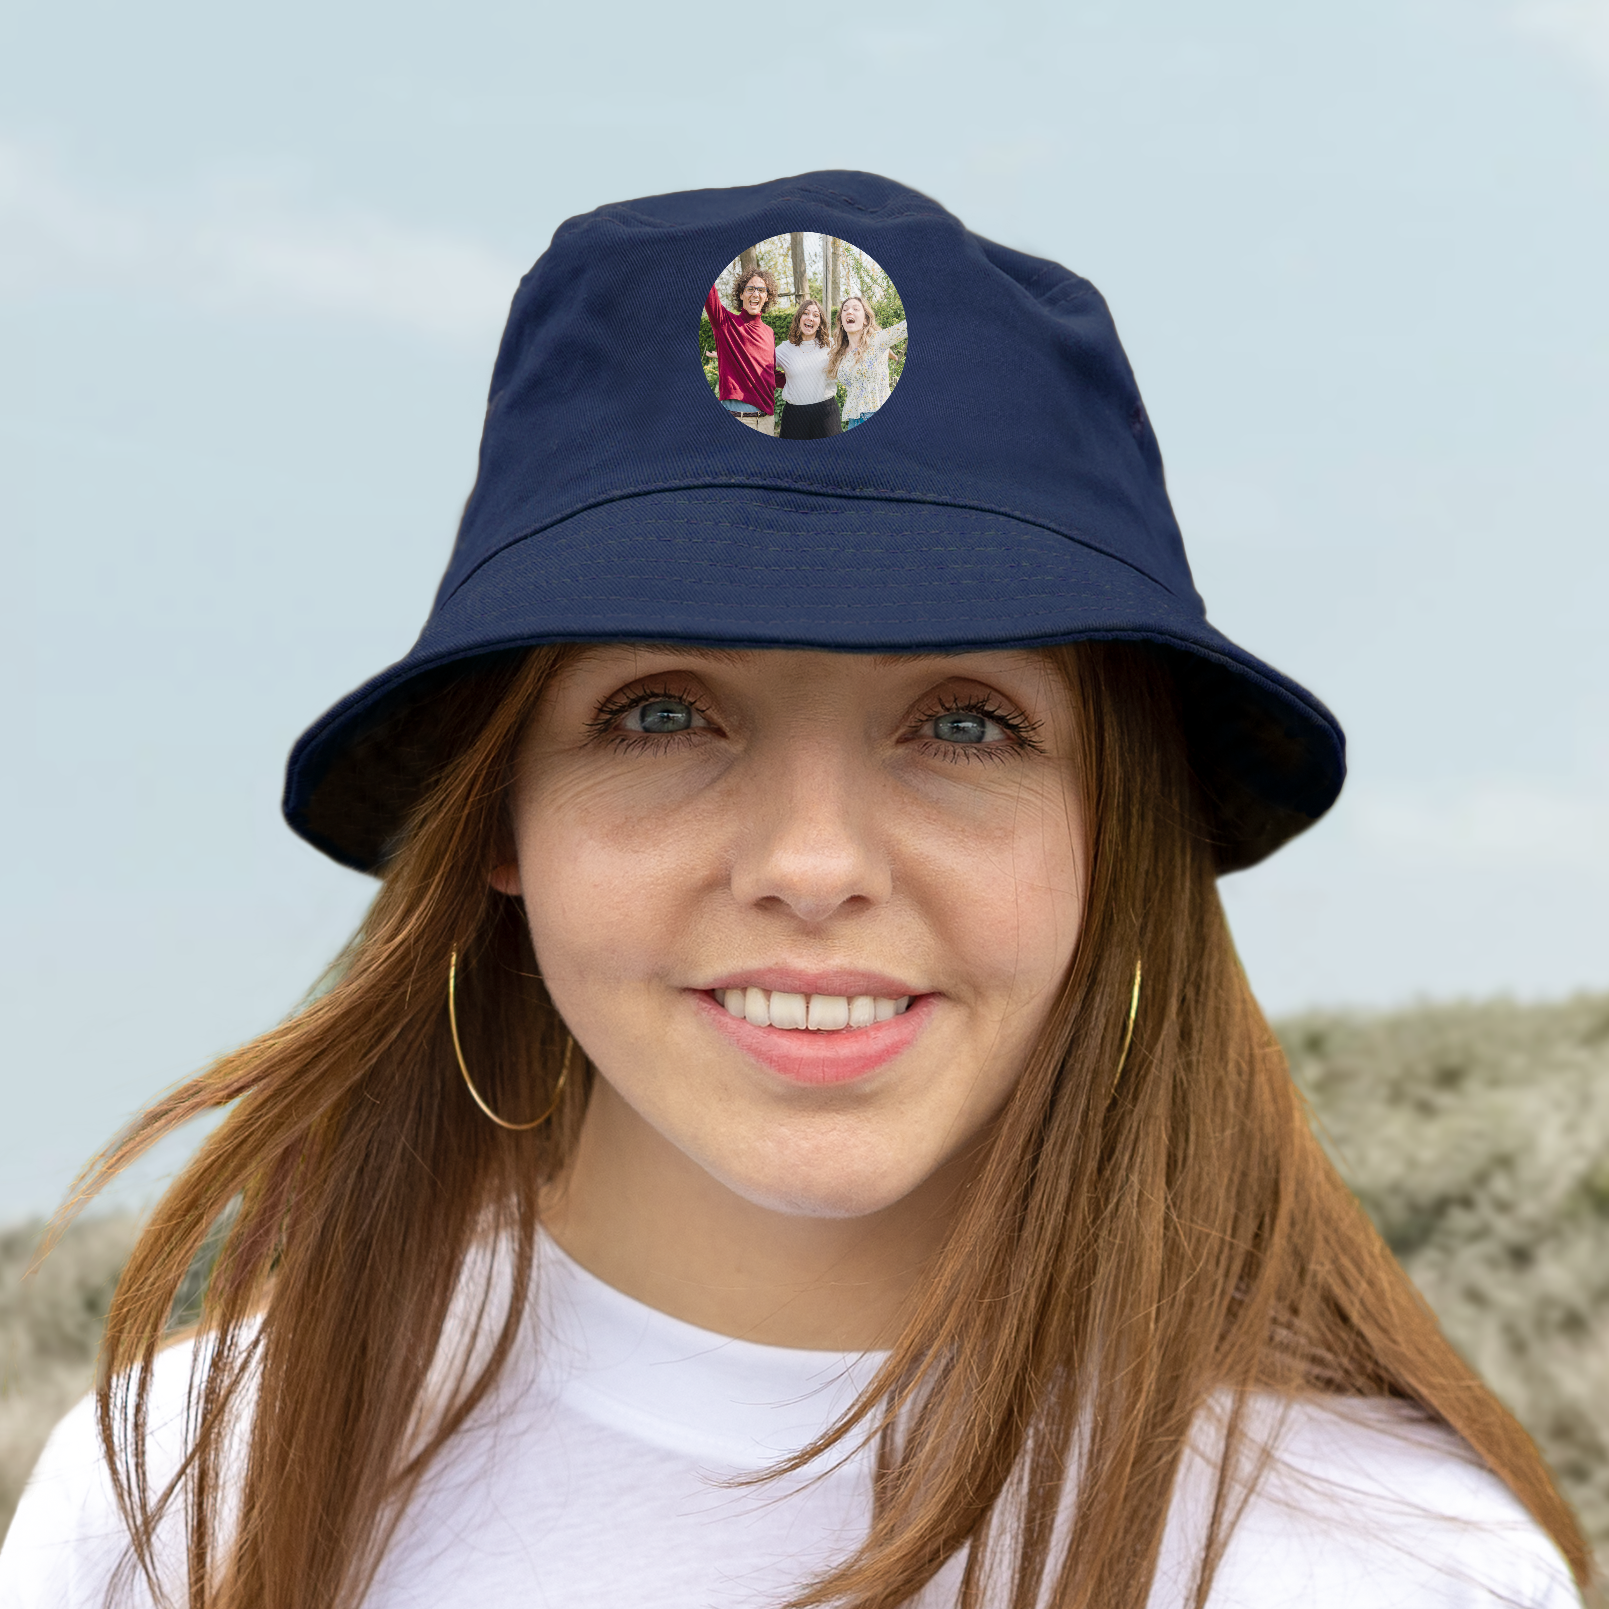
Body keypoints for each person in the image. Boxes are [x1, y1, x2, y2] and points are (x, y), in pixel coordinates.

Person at [0, 172, 1589, 1609]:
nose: (813, 867)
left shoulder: (1404, 1565)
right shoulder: (181, 1498)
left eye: (965, 722)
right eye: (663, 713)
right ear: (496, 813)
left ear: (1117, 834)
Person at [705, 262, 779, 435]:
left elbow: (772, 375)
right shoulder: (724, 323)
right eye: (750, 289)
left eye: (761, 290)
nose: (756, 293)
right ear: (741, 294)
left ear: (767, 297)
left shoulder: (769, 332)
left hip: (767, 422)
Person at [831, 292, 907, 429]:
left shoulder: (878, 340)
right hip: (853, 421)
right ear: (841, 321)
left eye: (855, 308)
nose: (849, 311)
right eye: (845, 309)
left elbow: (906, 327)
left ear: (865, 319)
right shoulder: (839, 351)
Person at [773, 297, 841, 439]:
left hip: (826, 414)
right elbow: (759, 363)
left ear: (820, 323)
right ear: (799, 318)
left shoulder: (832, 345)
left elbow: (855, 351)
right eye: (806, 313)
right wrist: (727, 354)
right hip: (794, 416)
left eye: (816, 315)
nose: (810, 318)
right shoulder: (785, 349)